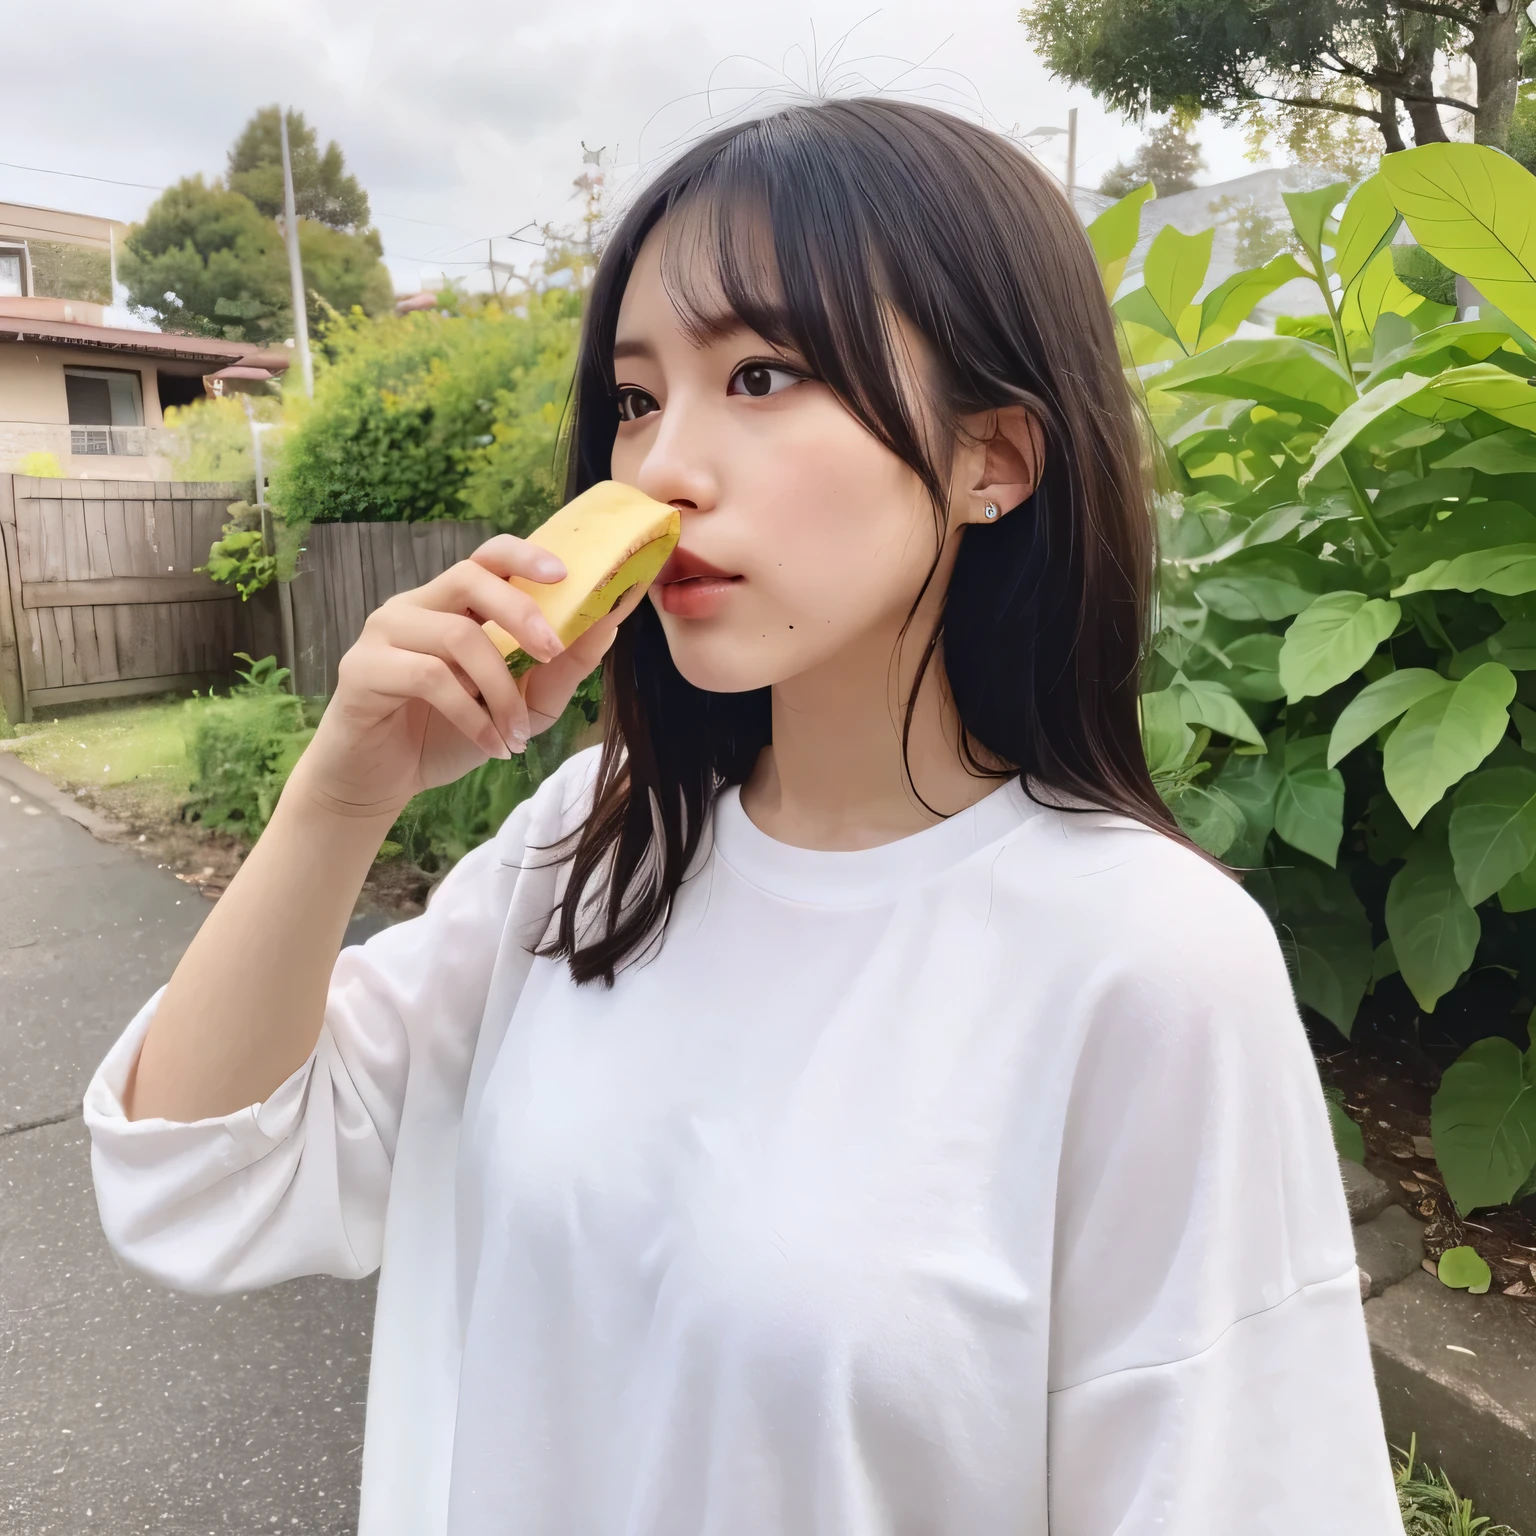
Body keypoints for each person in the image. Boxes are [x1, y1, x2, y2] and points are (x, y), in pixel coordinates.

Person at [84, 98, 1400, 1534]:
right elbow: (200, 1178)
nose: (660, 470)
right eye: (640, 399)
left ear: (994, 459)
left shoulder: (1148, 963)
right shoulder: (593, 844)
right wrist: (339, 798)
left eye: (764, 374)